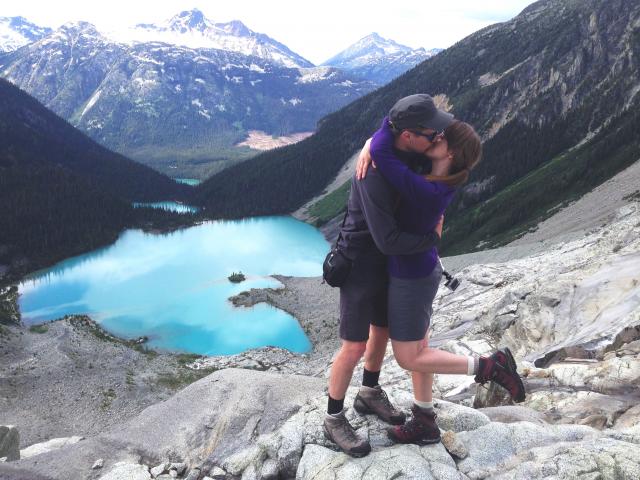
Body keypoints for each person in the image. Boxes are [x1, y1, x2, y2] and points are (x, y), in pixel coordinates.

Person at [355, 94, 526, 446]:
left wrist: (375, 143)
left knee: (408, 356)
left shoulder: (426, 189)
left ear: (449, 153)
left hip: (412, 276)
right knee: (421, 347)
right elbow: (386, 144)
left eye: (441, 138)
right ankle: (425, 419)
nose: (435, 136)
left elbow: (387, 156)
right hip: (419, 271)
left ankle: (488, 367)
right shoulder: (436, 173)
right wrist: (368, 142)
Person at [322, 98, 454, 457]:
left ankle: (369, 392)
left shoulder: (404, 150)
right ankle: (333, 417)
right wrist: (433, 238)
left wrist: (370, 141)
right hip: (361, 262)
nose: (439, 135)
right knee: (354, 345)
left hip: (388, 261)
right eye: (432, 132)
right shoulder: (374, 174)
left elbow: (397, 129)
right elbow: (386, 238)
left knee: (380, 330)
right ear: (409, 135)